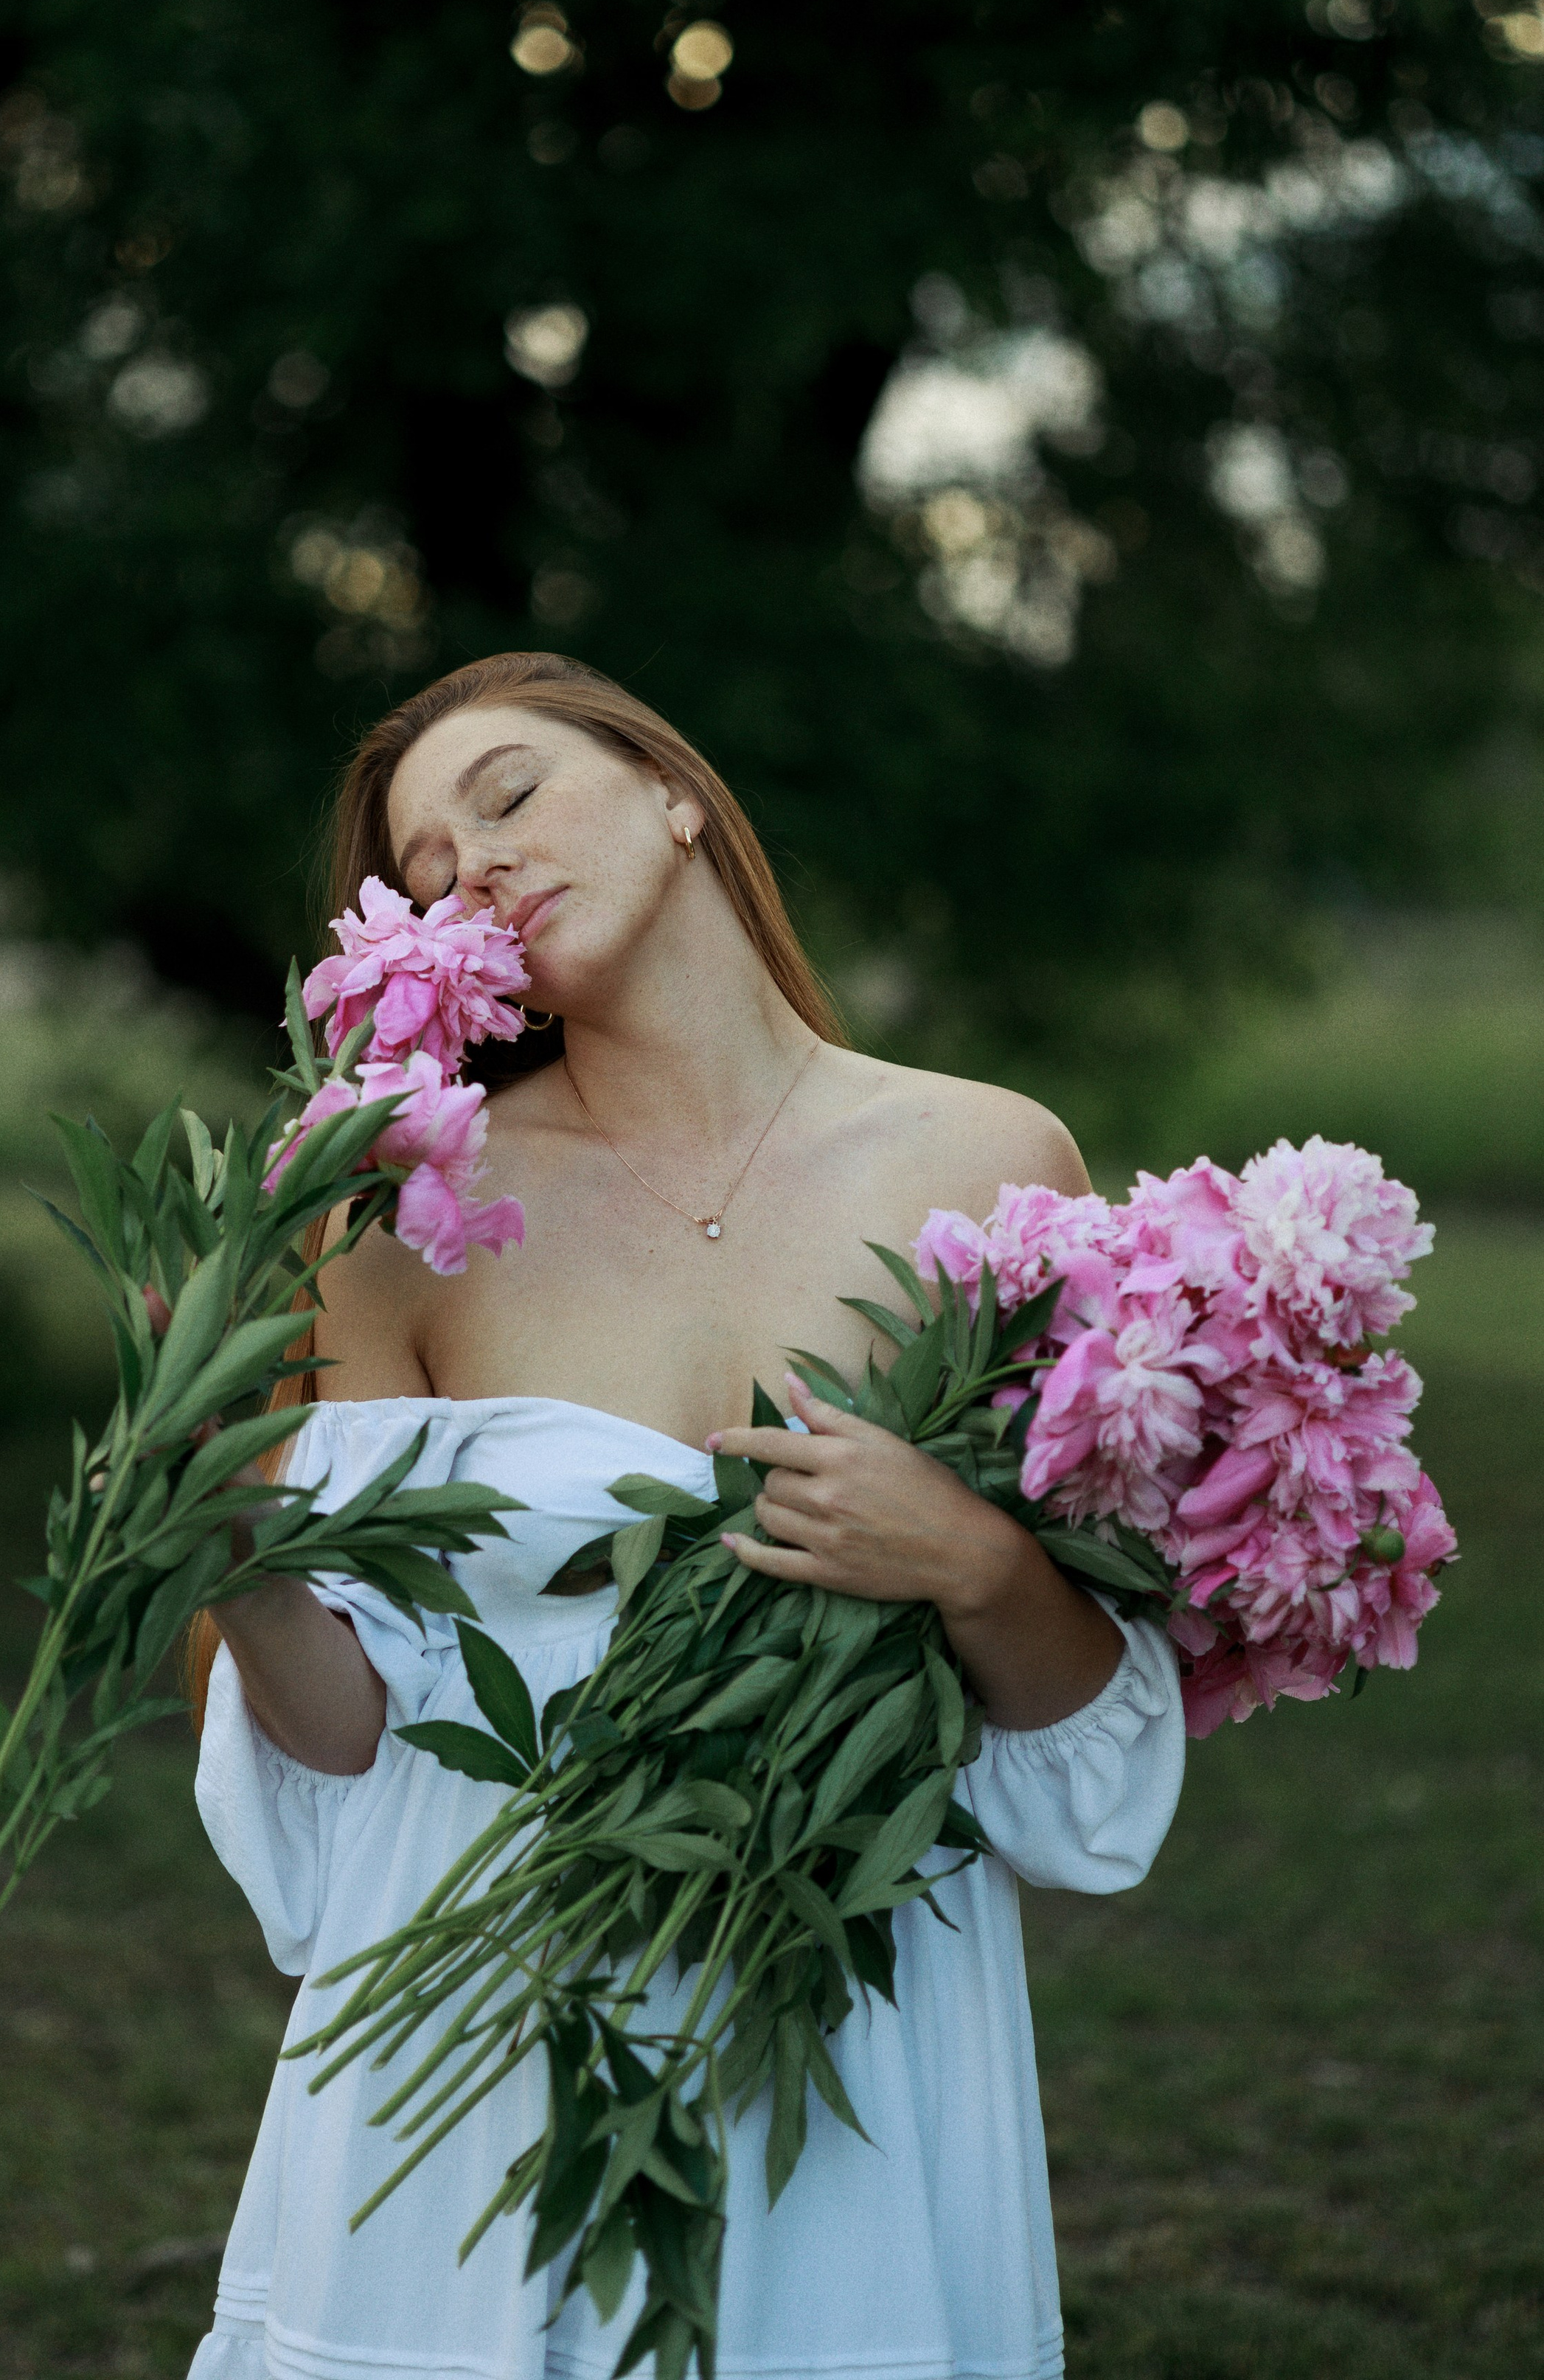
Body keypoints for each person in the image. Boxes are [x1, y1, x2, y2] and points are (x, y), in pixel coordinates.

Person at [187, 651, 1183, 2380]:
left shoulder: (991, 1159)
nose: (470, 867)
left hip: (840, 2017)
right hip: (478, 2004)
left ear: (673, 788)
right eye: (425, 871)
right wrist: (223, 1553)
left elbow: (1080, 1753)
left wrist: (966, 1558)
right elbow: (348, 1734)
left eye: (505, 796)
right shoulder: (402, 1215)